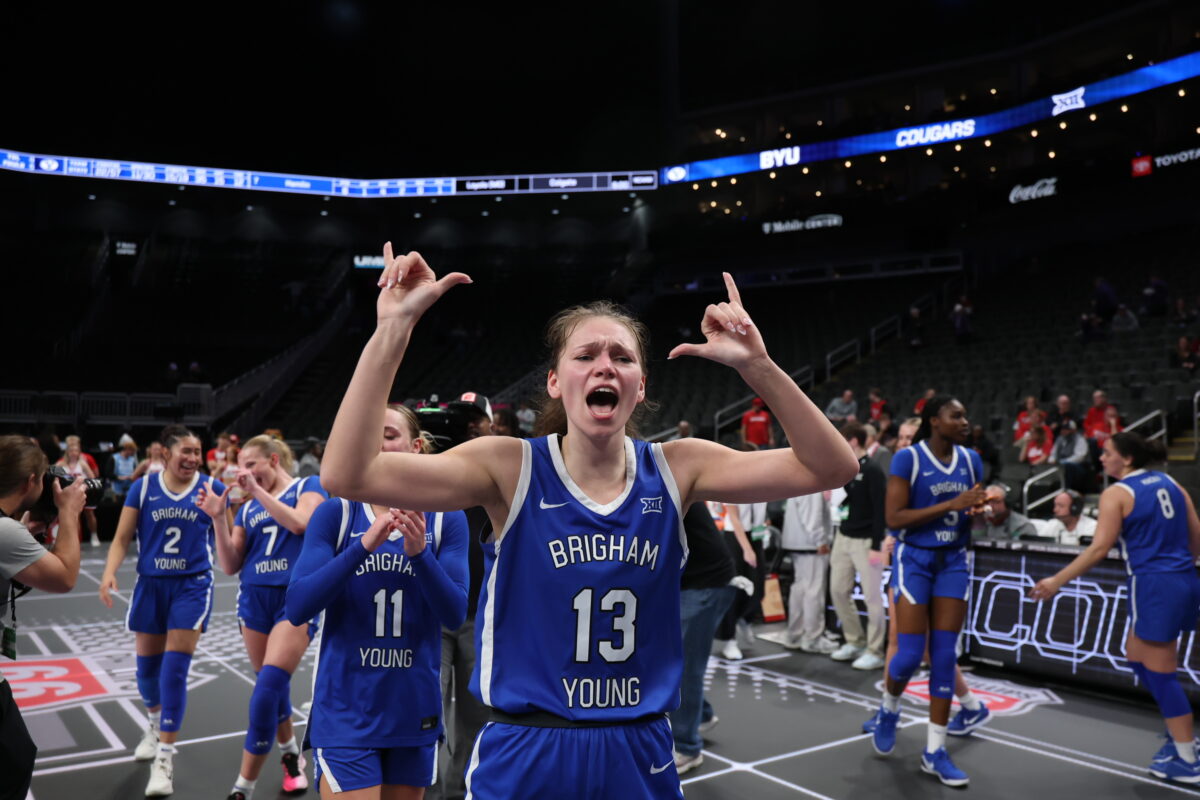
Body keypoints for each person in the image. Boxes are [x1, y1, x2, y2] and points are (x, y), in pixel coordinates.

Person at [319, 247, 858, 798]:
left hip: (638, 744)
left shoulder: (678, 467)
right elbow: (345, 474)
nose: (605, 365)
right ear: (555, 381)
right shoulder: (510, 466)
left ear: (640, 387)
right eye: (586, 355)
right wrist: (393, 329)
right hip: (528, 743)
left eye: (622, 357)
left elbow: (833, 467)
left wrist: (757, 366)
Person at [285, 404, 468, 800]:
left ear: (416, 447)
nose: (377, 443)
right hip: (346, 711)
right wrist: (362, 547)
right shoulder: (337, 513)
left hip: (413, 709)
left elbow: (454, 614)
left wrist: (420, 554)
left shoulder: (445, 519)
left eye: (389, 434)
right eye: (369, 434)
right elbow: (297, 607)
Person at [1031, 432, 1200, 783]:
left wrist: (1056, 581)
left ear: (1126, 458)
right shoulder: (1170, 482)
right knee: (1136, 657)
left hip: (1153, 584)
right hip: (1183, 578)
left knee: (1162, 673)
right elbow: (1195, 534)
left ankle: (1187, 756)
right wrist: (1181, 568)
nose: (1102, 458)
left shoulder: (1117, 493)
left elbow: (1098, 549)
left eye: (1107, 452)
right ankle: (1178, 731)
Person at [98, 425, 227, 797]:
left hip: (192, 585)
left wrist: (221, 516)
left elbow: (227, 540)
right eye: (186, 451)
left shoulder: (212, 488)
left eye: (197, 452)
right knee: (146, 673)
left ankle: (165, 759)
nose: (193, 458)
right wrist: (108, 573)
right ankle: (155, 726)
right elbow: (122, 538)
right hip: (151, 585)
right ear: (166, 453)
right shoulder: (143, 488)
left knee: (173, 672)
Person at [866, 396, 987, 787]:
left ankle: (935, 751)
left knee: (944, 655)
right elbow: (894, 518)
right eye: (957, 415)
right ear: (935, 420)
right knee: (907, 655)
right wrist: (953, 503)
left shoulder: (971, 460)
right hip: (915, 559)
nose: (965, 421)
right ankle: (889, 708)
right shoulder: (909, 459)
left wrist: (981, 512)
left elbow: (974, 515)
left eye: (965, 415)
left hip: (953, 560)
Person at [214, 435, 330, 800]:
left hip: (293, 599)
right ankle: (291, 756)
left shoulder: (307, 486)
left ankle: (242, 786)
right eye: (241, 467)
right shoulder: (247, 509)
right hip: (253, 601)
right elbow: (230, 564)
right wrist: (218, 517)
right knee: (272, 686)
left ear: (274, 460)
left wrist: (257, 492)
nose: (245, 473)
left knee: (266, 690)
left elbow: (300, 524)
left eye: (252, 464)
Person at [0, 435, 87, 800]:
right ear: (31, 481)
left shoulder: (8, 530)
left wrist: (24, 532)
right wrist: (68, 512)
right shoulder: (5, 532)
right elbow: (65, 577)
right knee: (14, 762)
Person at [671, 503, 737, 775]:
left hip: (704, 583)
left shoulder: (662, 485)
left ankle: (686, 747)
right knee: (673, 661)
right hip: (691, 581)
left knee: (684, 667)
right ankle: (702, 715)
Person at [828, 423, 887, 670]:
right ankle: (855, 640)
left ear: (853, 441)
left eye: (842, 439)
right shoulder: (844, 469)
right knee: (838, 590)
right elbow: (842, 502)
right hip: (843, 536)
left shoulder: (872, 470)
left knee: (872, 597)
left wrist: (876, 544)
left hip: (866, 541)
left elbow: (881, 509)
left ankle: (875, 650)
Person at [780, 491, 835, 653]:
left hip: (798, 542)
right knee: (813, 591)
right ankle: (812, 637)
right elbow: (812, 516)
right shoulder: (812, 485)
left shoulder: (800, 483)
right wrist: (821, 541)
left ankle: (794, 634)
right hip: (810, 544)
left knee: (800, 589)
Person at [56, 436, 99, 547]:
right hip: (69, 494)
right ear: (67, 451)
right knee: (74, 516)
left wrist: (85, 484)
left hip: (83, 492)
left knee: (89, 514)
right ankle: (74, 539)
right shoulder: (60, 463)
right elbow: (53, 476)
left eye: (76, 451)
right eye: (71, 451)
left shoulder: (83, 463)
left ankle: (94, 535)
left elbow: (93, 477)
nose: (73, 453)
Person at [1049, 420, 1091, 492]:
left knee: (1067, 467)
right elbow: (1053, 453)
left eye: (1066, 429)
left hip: (1079, 466)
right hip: (1061, 465)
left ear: (1073, 430)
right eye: (1062, 429)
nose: (1063, 431)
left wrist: (1064, 461)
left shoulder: (1079, 439)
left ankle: (1067, 490)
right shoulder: (1059, 439)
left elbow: (1080, 456)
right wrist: (1052, 460)